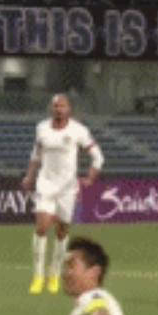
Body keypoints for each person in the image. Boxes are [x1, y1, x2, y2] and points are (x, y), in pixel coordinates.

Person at [21, 93, 104, 295]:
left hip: (67, 188)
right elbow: (36, 155)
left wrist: (91, 177)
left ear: (69, 109)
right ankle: (38, 276)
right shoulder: (41, 128)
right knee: (42, 227)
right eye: (56, 106)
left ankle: (54, 274)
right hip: (45, 184)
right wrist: (29, 176)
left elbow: (97, 156)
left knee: (62, 232)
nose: (58, 109)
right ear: (51, 109)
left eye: (62, 106)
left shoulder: (78, 130)